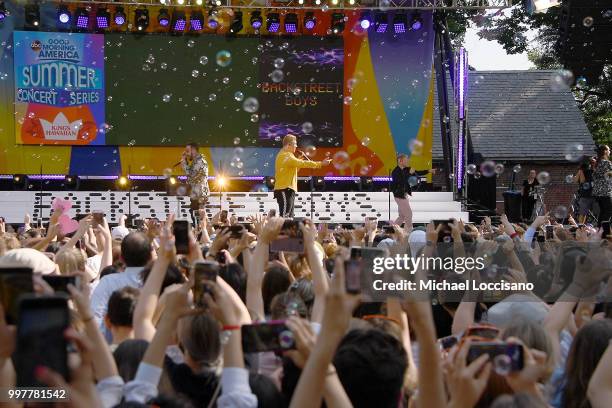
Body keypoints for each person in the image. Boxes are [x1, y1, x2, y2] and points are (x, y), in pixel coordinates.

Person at [273, 134, 331, 217]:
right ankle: (283, 230)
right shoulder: (286, 155)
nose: (296, 146)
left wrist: (298, 161)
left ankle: (287, 229)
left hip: (288, 189)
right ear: (289, 145)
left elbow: (295, 169)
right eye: (295, 144)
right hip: (284, 189)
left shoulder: (288, 156)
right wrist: (321, 163)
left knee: (289, 216)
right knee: (285, 216)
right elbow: (302, 163)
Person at [390, 154, 435, 227]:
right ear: (400, 161)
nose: (408, 161)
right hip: (399, 195)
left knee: (402, 216)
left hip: (403, 194)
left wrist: (429, 171)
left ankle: (392, 230)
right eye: (406, 160)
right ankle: (408, 233)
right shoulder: (395, 172)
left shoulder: (406, 169)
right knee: (408, 214)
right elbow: (401, 182)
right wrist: (409, 173)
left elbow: (418, 172)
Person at [181, 142, 209, 225]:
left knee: (198, 218)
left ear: (193, 150)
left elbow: (190, 175)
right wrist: (184, 161)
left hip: (200, 194)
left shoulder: (200, 161)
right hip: (196, 193)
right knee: (196, 216)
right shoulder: (195, 161)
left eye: (187, 151)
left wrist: (184, 161)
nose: (186, 153)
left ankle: (202, 234)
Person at [592, 144, 612, 226]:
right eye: (609, 150)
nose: (610, 151)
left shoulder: (597, 163)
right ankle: (604, 231)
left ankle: (599, 230)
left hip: (597, 192)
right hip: (605, 192)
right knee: (609, 211)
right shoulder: (607, 163)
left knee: (603, 211)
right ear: (605, 151)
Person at [573, 156, 595, 224]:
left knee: (585, 213)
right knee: (583, 213)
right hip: (584, 195)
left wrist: (592, 162)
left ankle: (583, 226)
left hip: (593, 195)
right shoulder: (581, 171)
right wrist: (580, 171)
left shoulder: (591, 171)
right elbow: (580, 181)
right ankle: (581, 227)